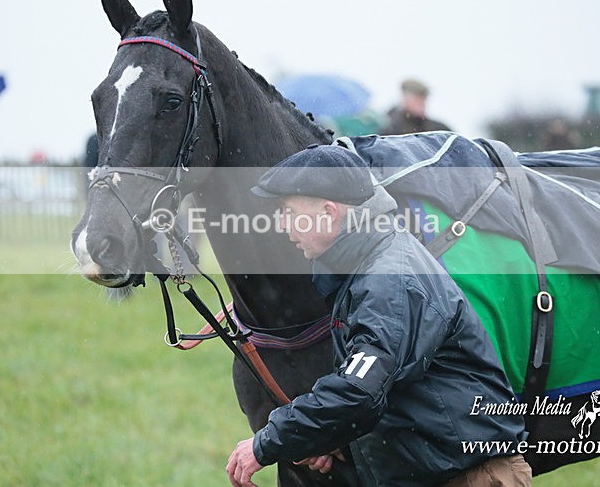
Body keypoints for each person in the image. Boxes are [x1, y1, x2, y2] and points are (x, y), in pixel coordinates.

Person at [227, 145, 530, 486]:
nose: (283, 226)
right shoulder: (365, 264)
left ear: (328, 212)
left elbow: (358, 390)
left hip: (471, 476)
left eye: (289, 212)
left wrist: (266, 442)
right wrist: (331, 438)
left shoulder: (389, 281)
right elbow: (389, 388)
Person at [379, 78, 452, 135]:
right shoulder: (387, 127)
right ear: (405, 100)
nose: (422, 104)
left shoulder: (438, 129)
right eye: (417, 100)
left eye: (423, 100)